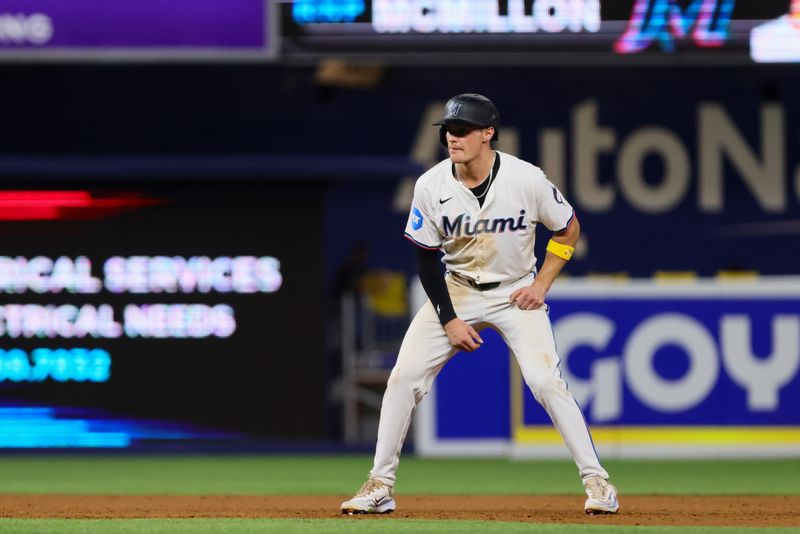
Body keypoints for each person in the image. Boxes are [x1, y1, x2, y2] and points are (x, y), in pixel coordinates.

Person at [341, 94, 619, 516]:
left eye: (463, 130)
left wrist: (542, 283)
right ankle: (380, 483)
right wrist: (449, 318)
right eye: (448, 131)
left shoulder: (526, 178)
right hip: (457, 288)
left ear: (488, 133)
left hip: (515, 291)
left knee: (546, 382)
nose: (452, 138)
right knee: (403, 377)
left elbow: (568, 229)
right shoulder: (431, 185)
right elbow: (424, 255)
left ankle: (598, 482)